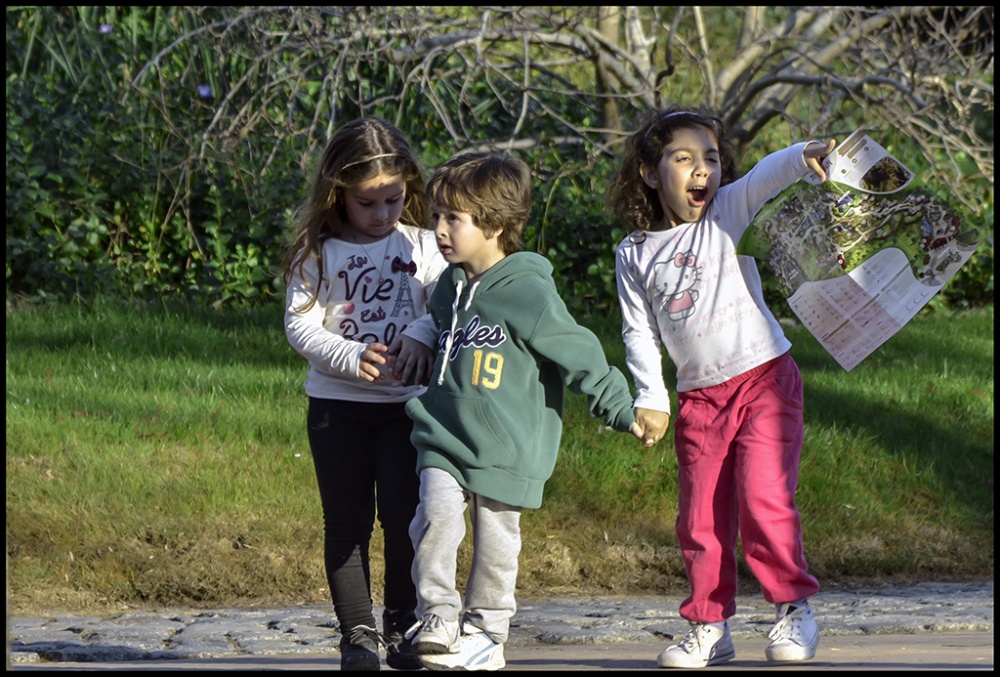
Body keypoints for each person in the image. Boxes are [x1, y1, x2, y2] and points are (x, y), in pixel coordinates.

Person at [608, 107, 836, 669]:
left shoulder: (723, 215)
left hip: (764, 380)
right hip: (699, 399)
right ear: (649, 172)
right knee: (700, 520)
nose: (701, 171)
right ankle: (710, 626)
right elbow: (638, 332)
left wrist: (803, 153)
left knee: (764, 500)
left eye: (710, 158)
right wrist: (651, 399)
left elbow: (763, 178)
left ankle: (794, 610)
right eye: (683, 159)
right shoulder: (633, 253)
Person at [402, 151, 645, 671]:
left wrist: (622, 409)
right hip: (443, 434)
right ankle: (439, 619)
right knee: (433, 519)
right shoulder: (449, 284)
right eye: (437, 216)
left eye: (453, 218)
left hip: (505, 445)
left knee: (496, 541)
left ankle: (487, 632)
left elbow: (578, 353)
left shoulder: (529, 292)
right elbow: (438, 324)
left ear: (495, 226)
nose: (439, 229)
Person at [282, 116, 449, 671]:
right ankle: (358, 635)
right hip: (337, 409)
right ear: (338, 194)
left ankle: (403, 625)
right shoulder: (317, 251)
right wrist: (352, 358)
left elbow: (445, 308)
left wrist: (420, 335)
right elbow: (300, 326)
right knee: (347, 522)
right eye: (367, 203)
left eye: (393, 200)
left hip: (409, 408)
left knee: (407, 518)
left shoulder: (425, 245)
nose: (382, 215)